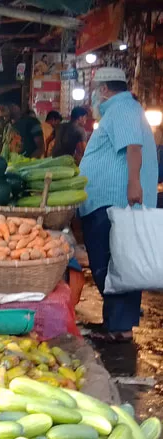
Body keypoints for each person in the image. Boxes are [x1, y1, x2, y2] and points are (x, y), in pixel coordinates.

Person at [78, 67, 158, 343]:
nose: (92, 99)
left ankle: (120, 327)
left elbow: (133, 148)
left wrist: (134, 183)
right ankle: (116, 323)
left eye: (93, 91)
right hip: (110, 201)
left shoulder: (123, 108)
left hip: (114, 202)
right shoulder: (122, 110)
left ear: (103, 89)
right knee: (116, 263)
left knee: (111, 263)